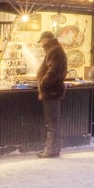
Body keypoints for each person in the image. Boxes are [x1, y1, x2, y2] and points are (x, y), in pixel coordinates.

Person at [36, 30, 68, 158]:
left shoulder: (54, 51)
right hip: (53, 90)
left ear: (46, 39)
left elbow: (53, 71)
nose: (41, 44)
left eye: (42, 41)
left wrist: (43, 84)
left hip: (51, 91)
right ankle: (54, 149)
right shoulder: (56, 50)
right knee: (53, 122)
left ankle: (51, 150)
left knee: (52, 123)